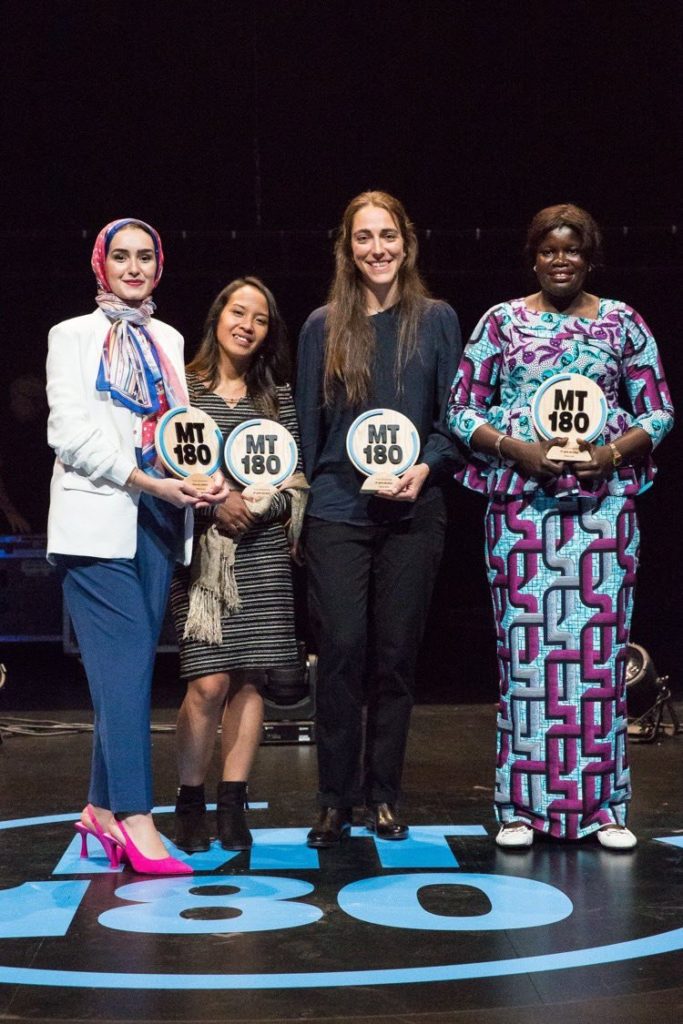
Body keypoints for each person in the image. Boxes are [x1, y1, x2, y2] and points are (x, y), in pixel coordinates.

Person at [447, 203, 674, 850]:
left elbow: (656, 413)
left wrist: (608, 454)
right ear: (532, 255)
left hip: (601, 509)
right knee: (527, 656)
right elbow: (462, 409)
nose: (559, 260)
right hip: (522, 508)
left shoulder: (621, 323)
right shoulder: (501, 322)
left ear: (588, 256)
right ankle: (520, 807)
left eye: (571, 250)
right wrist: (515, 449)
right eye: (548, 249)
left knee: (597, 655)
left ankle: (604, 807)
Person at [47, 217, 228, 875]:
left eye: (144, 256)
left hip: (157, 521)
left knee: (126, 678)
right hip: (97, 524)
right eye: (119, 257)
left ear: (158, 265)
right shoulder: (71, 336)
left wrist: (192, 476)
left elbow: (172, 430)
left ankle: (98, 808)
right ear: (100, 265)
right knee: (123, 678)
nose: (132, 267)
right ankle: (134, 819)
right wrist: (147, 478)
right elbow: (70, 435)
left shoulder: (169, 337)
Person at [296, 190, 462, 847]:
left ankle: (383, 795)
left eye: (386, 235)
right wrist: (302, 511)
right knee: (339, 653)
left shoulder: (437, 319)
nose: (376, 249)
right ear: (346, 247)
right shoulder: (321, 326)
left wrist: (425, 467)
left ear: (406, 240)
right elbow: (307, 428)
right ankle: (335, 798)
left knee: (394, 658)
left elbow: (453, 421)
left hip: (413, 512)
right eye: (362, 237)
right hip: (338, 510)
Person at [170, 277, 306, 853]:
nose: (246, 324)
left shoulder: (278, 399)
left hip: (262, 550)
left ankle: (232, 804)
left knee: (251, 679)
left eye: (259, 318)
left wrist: (261, 505)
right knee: (208, 682)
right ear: (217, 316)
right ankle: (189, 799)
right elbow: (163, 464)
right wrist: (214, 504)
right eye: (237, 311)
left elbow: (296, 482)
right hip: (201, 555)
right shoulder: (183, 390)